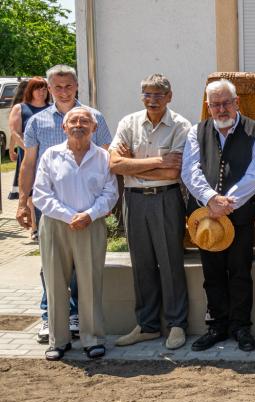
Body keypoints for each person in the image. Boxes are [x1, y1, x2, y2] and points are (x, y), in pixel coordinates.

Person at [18, 65, 112, 344]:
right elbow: (29, 163)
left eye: (68, 85)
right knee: (51, 269)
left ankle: (78, 320)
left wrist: (93, 212)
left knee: (85, 272)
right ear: (49, 88)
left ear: (77, 86)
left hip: (89, 212)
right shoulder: (37, 122)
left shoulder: (94, 117)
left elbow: (107, 159)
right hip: (51, 209)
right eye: (57, 87)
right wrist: (22, 202)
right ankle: (50, 319)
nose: (63, 91)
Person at [182, 79, 255, 352]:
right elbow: (190, 170)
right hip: (205, 215)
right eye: (215, 104)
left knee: (241, 272)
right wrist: (211, 199)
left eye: (226, 103)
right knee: (213, 273)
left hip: (239, 215)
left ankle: (241, 327)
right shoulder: (197, 131)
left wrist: (227, 202)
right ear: (208, 106)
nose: (221, 109)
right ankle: (217, 326)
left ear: (236, 102)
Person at [109, 74, 192, 350]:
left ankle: (177, 324)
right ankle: (147, 326)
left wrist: (132, 164)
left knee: (170, 263)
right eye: (147, 94)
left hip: (166, 199)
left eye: (158, 94)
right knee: (141, 264)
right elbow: (114, 164)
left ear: (169, 96)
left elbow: (173, 172)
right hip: (134, 200)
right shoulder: (128, 123)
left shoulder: (181, 125)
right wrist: (158, 161)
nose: (152, 99)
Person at [33, 106, 118, 361]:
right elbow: (41, 193)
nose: (78, 125)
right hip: (56, 225)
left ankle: (93, 339)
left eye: (84, 121)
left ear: (94, 127)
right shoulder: (51, 155)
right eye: (73, 121)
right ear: (64, 127)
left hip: (91, 225)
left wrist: (89, 214)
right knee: (55, 283)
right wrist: (69, 215)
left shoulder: (103, 157)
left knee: (90, 282)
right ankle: (58, 340)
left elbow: (111, 193)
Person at [7, 78, 49, 201]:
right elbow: (15, 132)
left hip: (48, 157)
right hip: (28, 156)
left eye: (44, 89)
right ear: (30, 90)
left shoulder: (53, 108)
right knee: (30, 195)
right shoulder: (20, 108)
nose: (42, 92)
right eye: (38, 89)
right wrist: (29, 150)